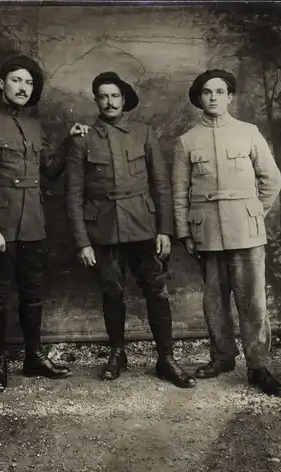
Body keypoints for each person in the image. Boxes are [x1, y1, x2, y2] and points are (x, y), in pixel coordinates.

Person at [65, 71, 196, 388]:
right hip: (103, 231)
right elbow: (73, 195)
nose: (109, 102)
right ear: (96, 100)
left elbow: (161, 186)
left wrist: (164, 230)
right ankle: (117, 354)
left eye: (114, 96)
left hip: (144, 227)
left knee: (157, 290)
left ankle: (166, 359)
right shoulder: (82, 138)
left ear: (123, 100)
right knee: (112, 291)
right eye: (102, 96)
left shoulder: (144, 133)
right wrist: (83, 242)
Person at [0, 54, 89, 392]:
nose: (23, 87)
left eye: (28, 82)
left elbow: (49, 171)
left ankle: (33, 357)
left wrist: (69, 140)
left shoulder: (36, 126)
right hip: (1, 224)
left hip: (33, 225)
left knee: (33, 294)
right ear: (1, 83)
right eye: (16, 80)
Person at [172, 69, 281, 397]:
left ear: (230, 97)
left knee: (252, 301)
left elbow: (271, 180)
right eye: (207, 92)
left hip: (247, 231)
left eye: (220, 91)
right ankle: (222, 357)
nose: (214, 97)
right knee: (214, 302)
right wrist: (184, 233)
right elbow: (179, 193)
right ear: (199, 98)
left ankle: (258, 366)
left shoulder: (249, 133)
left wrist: (252, 211)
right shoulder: (187, 141)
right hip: (207, 233)